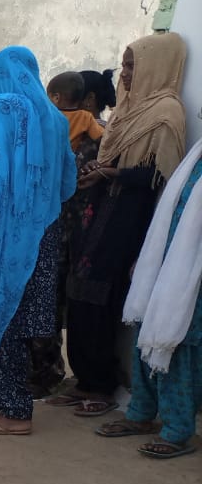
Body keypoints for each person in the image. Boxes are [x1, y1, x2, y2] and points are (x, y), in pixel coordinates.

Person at [59, 33, 187, 418]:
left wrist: (113, 173)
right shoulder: (127, 111)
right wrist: (98, 169)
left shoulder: (166, 113)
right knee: (78, 293)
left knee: (104, 298)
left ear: (155, 66)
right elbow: (109, 156)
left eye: (133, 65)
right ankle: (83, 377)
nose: (125, 73)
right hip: (99, 210)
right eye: (125, 64)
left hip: (128, 219)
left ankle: (101, 382)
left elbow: (160, 176)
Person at [0, 46, 76, 435]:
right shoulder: (55, 119)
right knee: (19, 319)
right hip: (41, 235)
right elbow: (67, 184)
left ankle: (13, 411)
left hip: (1, 236)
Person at [96, 137, 202, 458]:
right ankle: (141, 413)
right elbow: (169, 212)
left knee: (176, 344)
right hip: (164, 265)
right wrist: (146, 260)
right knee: (145, 334)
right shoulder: (195, 157)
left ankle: (177, 430)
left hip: (192, 276)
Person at [26, 71, 104, 396]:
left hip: (53, 230)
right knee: (58, 301)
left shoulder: (44, 125)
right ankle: (52, 370)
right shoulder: (93, 129)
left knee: (46, 301)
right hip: (78, 231)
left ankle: (45, 372)